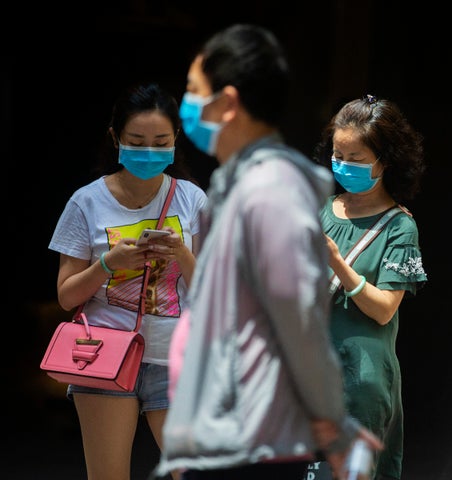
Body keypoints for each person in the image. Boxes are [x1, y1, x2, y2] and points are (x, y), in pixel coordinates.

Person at [153, 24, 382, 480]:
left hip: (251, 445)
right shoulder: (236, 186)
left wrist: (334, 425)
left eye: (194, 90)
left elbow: (296, 320)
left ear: (229, 102)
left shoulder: (270, 191)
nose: (187, 103)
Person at [47, 82, 208, 480]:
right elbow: (67, 296)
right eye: (137, 141)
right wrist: (108, 263)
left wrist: (182, 254)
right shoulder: (85, 202)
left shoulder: (191, 199)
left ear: (175, 141)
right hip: (103, 355)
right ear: (115, 138)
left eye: (160, 142)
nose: (149, 152)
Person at [305, 94, 428, 480]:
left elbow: (383, 308)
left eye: (356, 159)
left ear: (385, 161)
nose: (343, 165)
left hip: (361, 381)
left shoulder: (399, 226)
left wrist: (337, 263)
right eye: (338, 155)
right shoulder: (320, 208)